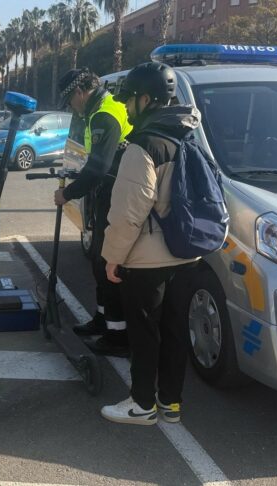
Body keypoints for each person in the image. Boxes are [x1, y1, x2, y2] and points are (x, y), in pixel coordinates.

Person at [100, 62, 201, 425]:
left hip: (147, 261)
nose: (126, 107)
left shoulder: (143, 146)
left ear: (145, 99)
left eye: (129, 100)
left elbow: (129, 212)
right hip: (186, 255)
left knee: (145, 335)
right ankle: (171, 403)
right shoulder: (188, 136)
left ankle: (142, 404)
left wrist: (112, 257)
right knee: (175, 332)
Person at [55, 67, 133, 357]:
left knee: (109, 266)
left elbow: (99, 168)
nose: (71, 108)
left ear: (79, 92)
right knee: (99, 265)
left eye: (70, 102)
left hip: (118, 196)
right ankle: (102, 320)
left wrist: (67, 193)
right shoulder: (99, 109)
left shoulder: (103, 114)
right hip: (109, 194)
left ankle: (118, 336)